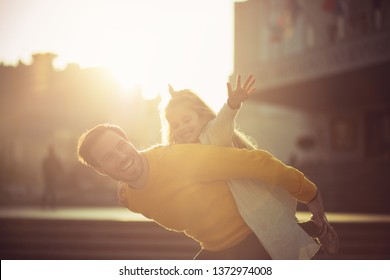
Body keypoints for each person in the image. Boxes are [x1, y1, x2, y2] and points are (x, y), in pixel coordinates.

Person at [77, 123, 338, 259]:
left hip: (253, 233)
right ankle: (307, 231)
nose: (122, 157)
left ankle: (307, 231)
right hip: (216, 248)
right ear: (102, 170)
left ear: (128, 141)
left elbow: (257, 163)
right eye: (109, 157)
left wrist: (310, 193)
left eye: (121, 145)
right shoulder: (128, 197)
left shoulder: (180, 159)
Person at [161, 74, 339, 259]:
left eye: (186, 120)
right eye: (175, 125)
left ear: (201, 116)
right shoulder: (181, 155)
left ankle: (317, 228)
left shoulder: (210, 137)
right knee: (272, 234)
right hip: (228, 225)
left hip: (246, 207)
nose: (182, 127)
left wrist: (231, 105)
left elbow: (221, 125)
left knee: (273, 235)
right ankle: (314, 228)